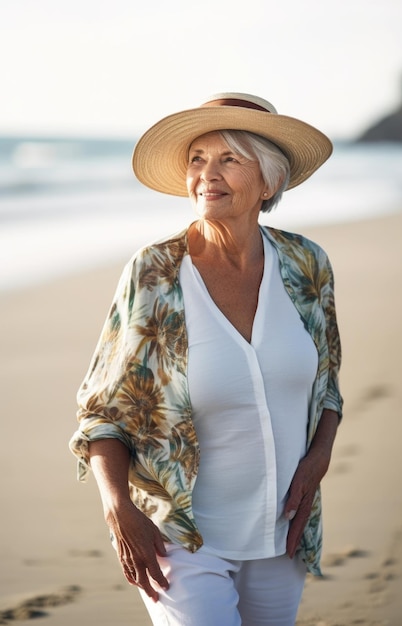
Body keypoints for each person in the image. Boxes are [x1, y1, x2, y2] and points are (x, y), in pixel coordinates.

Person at [69, 92, 343, 626]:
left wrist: (320, 457)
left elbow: (327, 385)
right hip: (180, 537)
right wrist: (117, 507)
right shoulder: (155, 273)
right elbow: (103, 410)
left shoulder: (306, 263)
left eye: (229, 159)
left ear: (269, 182)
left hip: (281, 534)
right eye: (197, 159)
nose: (206, 175)